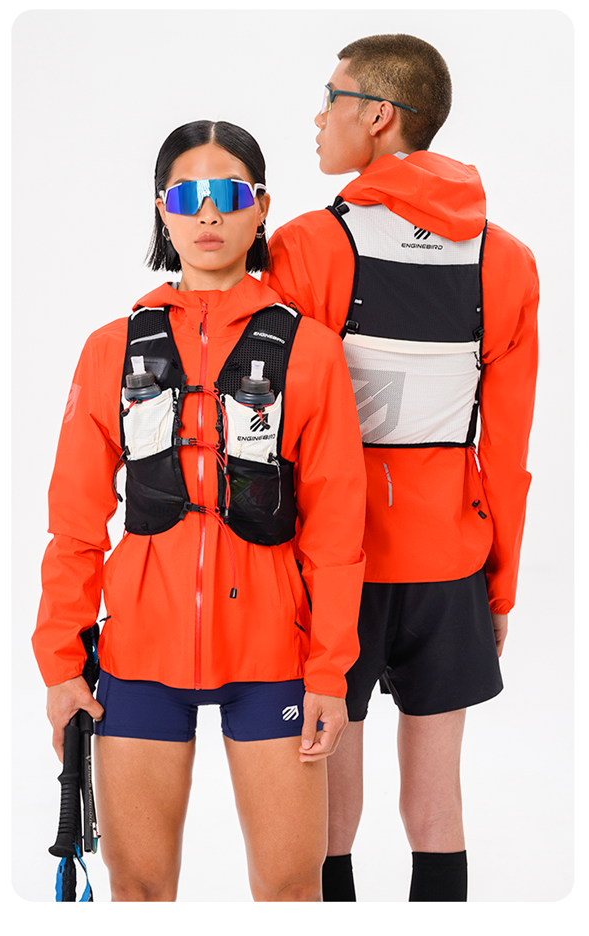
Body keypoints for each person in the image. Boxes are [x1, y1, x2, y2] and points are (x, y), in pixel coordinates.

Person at [32, 119, 367, 902]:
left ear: (261, 208)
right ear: (163, 210)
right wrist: (61, 666)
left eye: (229, 194)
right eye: (187, 196)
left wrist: (328, 672)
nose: (209, 213)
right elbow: (75, 524)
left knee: (290, 890)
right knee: (140, 890)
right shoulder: (111, 347)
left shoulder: (312, 350)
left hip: (274, 656)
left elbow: (336, 528)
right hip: (138, 656)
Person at [265, 34, 539, 902]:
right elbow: (506, 449)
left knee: (324, 805)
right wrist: (499, 587)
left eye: (331, 97)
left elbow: (273, 435)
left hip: (331, 564)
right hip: (449, 559)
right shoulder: (506, 260)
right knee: (436, 802)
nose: (318, 116)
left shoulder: (306, 246)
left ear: (378, 115)